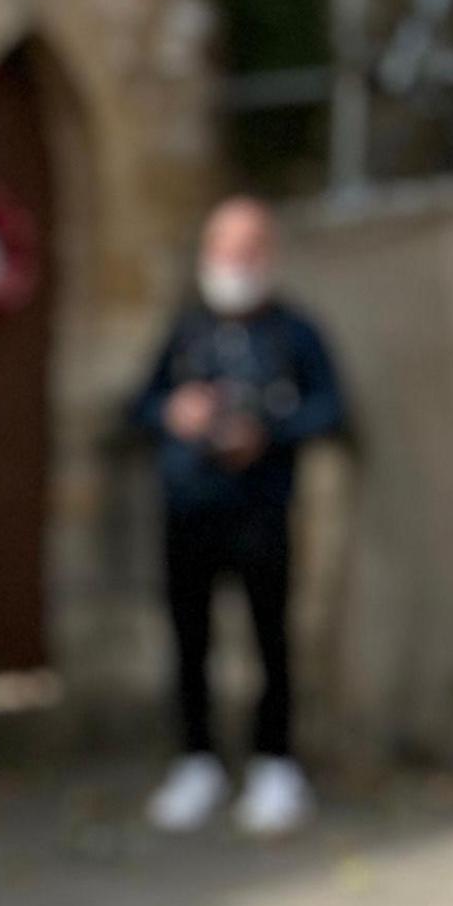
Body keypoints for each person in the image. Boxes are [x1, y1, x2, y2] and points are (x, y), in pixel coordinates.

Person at [130, 194, 346, 838]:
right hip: (189, 509)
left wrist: (267, 431)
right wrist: (176, 414)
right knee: (189, 639)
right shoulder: (187, 330)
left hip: (262, 511)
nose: (233, 262)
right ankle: (196, 761)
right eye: (223, 248)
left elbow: (330, 410)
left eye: (247, 249)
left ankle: (275, 764)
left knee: (268, 640)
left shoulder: (295, 332)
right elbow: (138, 407)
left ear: (268, 256)